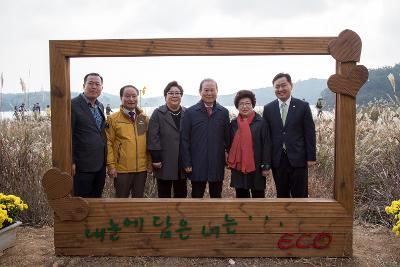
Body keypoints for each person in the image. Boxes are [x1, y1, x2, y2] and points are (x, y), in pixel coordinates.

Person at [263, 73, 316, 198]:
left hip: (299, 158)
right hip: (277, 159)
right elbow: (266, 137)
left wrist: (311, 157)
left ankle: (300, 218)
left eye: (283, 85)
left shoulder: (303, 106)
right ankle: (284, 218)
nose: (280, 89)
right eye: (277, 87)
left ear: (291, 86)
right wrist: (266, 162)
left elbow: (310, 133)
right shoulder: (268, 108)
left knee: (300, 195)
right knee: (282, 195)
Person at [181, 78, 230, 198]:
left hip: (216, 162)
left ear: (217, 91)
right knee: (197, 195)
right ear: (200, 91)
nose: (209, 93)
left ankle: (216, 217)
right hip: (197, 163)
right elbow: (185, 139)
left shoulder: (223, 112)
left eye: (212, 90)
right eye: (206, 90)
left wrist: (229, 159)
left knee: (216, 195)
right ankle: (197, 217)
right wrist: (187, 163)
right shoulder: (190, 112)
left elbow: (227, 138)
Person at [106, 85, 149, 198]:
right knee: (121, 202)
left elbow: (147, 141)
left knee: (138, 202)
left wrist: (149, 163)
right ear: (121, 98)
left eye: (134, 96)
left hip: (141, 170)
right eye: (127, 96)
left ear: (137, 97)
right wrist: (111, 165)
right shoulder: (113, 119)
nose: (131, 99)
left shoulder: (143, 118)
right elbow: (108, 143)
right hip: (121, 170)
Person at [228, 90, 272, 198]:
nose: (244, 106)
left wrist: (265, 166)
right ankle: (243, 216)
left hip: (256, 166)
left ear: (252, 105)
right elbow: (229, 144)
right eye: (241, 104)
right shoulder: (233, 123)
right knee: (241, 197)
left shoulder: (261, 122)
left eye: (248, 103)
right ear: (237, 106)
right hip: (239, 166)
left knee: (258, 197)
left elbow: (267, 145)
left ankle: (259, 216)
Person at [148, 81, 187, 198]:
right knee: (164, 195)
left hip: (182, 163)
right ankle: (165, 216)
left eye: (177, 93)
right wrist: (156, 159)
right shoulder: (158, 113)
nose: (174, 95)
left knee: (181, 195)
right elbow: (153, 137)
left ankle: (180, 217)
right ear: (165, 96)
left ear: (181, 96)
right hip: (164, 162)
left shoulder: (187, 113)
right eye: (171, 93)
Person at [71, 73, 107, 197]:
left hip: (100, 164)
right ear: (83, 86)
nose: (94, 87)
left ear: (101, 88)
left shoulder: (100, 106)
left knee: (96, 201)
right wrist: (70, 161)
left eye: (97, 84)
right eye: (90, 83)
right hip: (82, 166)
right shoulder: (72, 105)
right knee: (81, 203)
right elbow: (67, 135)